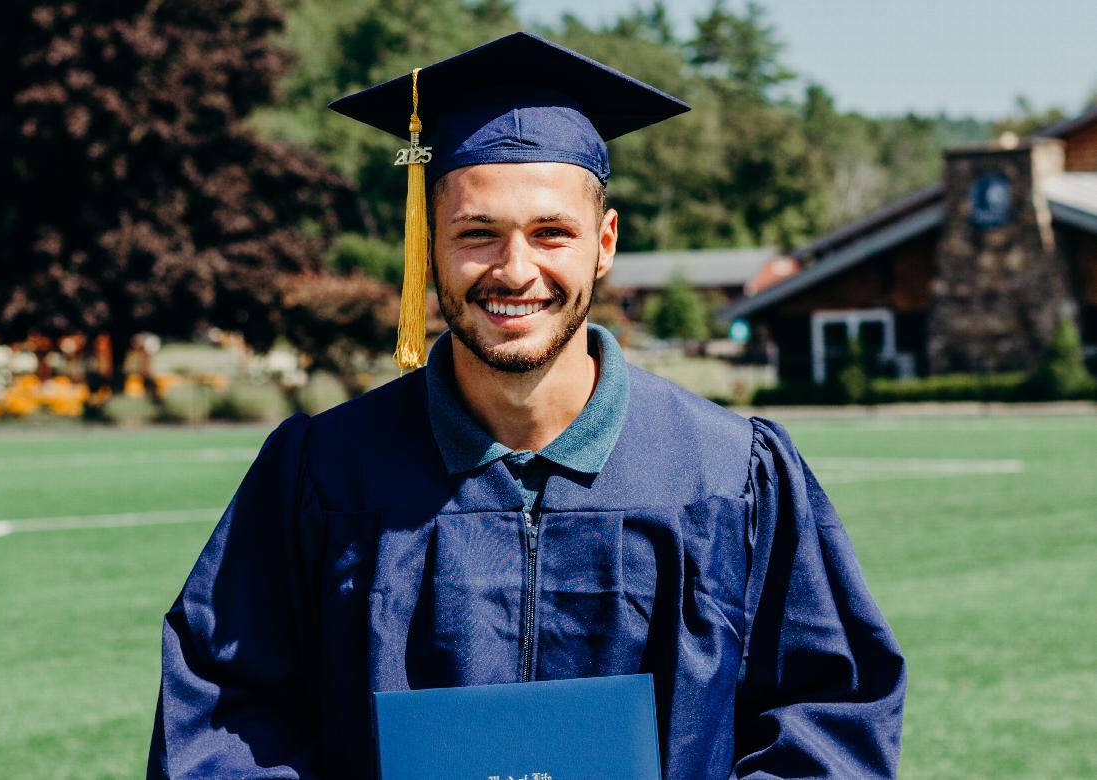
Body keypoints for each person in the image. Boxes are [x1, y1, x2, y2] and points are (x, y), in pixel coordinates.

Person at [147, 32, 905, 779]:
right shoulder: (324, 474)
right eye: (477, 234)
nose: (515, 271)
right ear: (429, 244)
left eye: (552, 233)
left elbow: (829, 718)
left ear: (605, 242)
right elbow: (223, 717)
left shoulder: (728, 474)